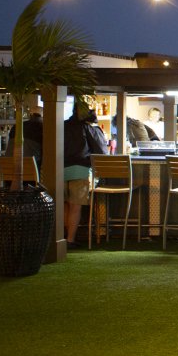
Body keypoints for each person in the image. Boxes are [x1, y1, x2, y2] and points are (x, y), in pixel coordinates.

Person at [62, 99, 108, 248]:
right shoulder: (89, 128)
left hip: (59, 170)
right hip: (80, 170)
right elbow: (102, 152)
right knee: (75, 206)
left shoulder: (62, 125)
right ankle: (70, 240)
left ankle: (62, 239)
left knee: (65, 205)